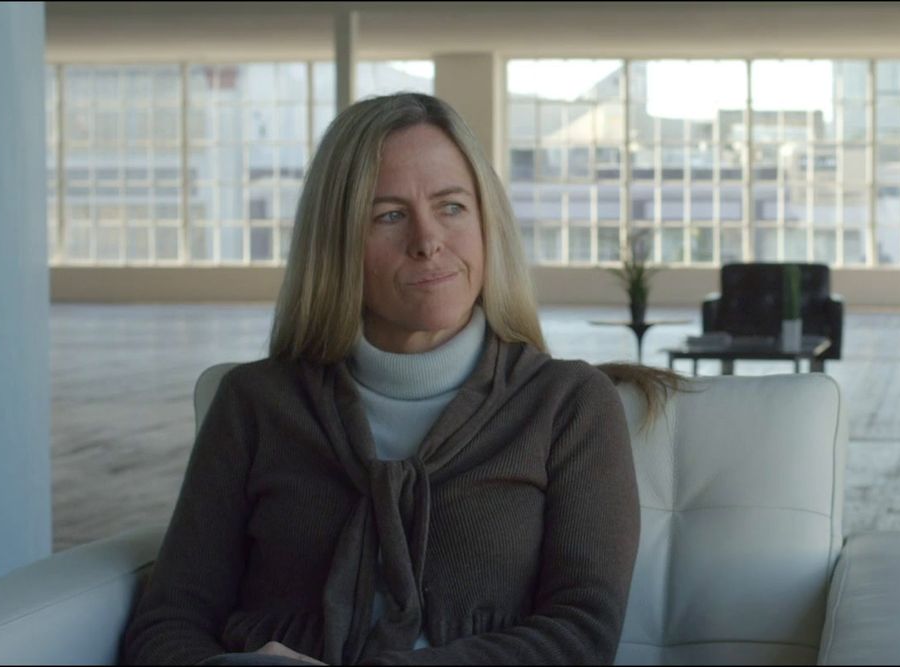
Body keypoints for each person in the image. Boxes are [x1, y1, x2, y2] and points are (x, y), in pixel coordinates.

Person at [121, 93, 679, 666]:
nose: (427, 239)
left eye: (452, 206)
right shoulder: (254, 403)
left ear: (487, 222)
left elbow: (580, 636)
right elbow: (168, 623)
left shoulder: (569, 405)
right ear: (335, 244)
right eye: (389, 215)